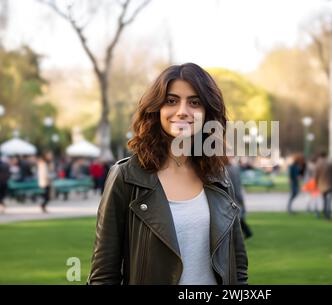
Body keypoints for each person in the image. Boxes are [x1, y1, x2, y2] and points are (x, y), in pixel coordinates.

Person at [88, 63, 248, 285]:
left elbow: (237, 268)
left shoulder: (218, 176)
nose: (183, 111)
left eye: (195, 102)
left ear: (207, 113)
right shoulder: (125, 177)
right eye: (171, 101)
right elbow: (103, 275)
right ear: (157, 109)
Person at [226, 157, 253, 239]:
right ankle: (247, 233)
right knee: (237, 217)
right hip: (231, 198)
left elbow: (237, 187)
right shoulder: (232, 169)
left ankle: (247, 233)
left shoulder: (231, 169)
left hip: (232, 198)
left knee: (237, 217)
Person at [315, 152, 332, 221]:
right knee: (329, 201)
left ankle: (325, 214)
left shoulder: (318, 164)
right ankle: (328, 216)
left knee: (325, 201)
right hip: (330, 184)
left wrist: (317, 184)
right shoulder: (330, 163)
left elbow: (316, 176)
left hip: (322, 185)